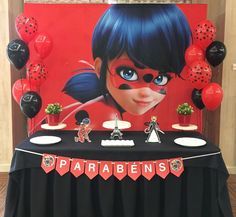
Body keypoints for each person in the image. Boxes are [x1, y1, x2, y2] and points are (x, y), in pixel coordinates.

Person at [62, 4, 191, 130]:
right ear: (100, 69)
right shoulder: (90, 113)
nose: (145, 92)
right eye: (128, 73)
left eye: (161, 78)